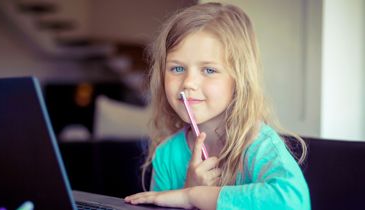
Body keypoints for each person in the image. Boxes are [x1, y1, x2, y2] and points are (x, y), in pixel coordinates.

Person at [124, 2, 310, 210]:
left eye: (209, 70)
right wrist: (187, 188)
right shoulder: (167, 155)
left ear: (240, 79)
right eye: (177, 68)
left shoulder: (259, 146)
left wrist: (193, 196)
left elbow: (292, 201)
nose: (188, 83)